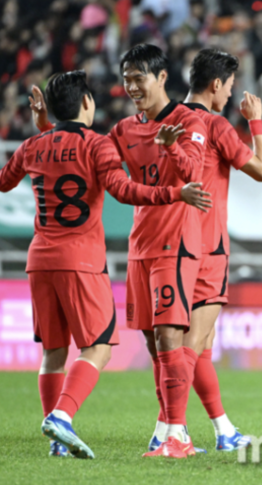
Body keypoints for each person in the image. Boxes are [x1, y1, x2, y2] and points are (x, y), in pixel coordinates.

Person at [14, 71, 210, 459]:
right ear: (87, 102)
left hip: (38, 260)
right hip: (81, 260)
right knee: (100, 347)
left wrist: (43, 130)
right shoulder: (98, 144)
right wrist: (176, 193)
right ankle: (62, 417)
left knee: (53, 351)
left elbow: (5, 181)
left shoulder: (32, 145)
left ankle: (57, 442)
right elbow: (124, 191)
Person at [146, 48, 262, 452]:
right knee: (191, 346)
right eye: (231, 87)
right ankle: (171, 430)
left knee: (191, 348)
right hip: (207, 247)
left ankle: (222, 430)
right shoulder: (214, 125)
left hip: (165, 242)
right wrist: (255, 123)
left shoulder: (163, 120)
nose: (231, 94)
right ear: (216, 84)